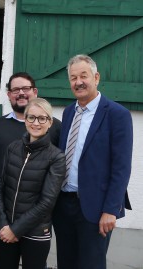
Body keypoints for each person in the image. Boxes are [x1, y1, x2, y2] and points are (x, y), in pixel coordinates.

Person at [53, 54, 133, 269]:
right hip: (64, 205)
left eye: (83, 76)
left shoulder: (117, 114)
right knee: (66, 264)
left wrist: (111, 210)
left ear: (96, 77)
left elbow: (121, 168)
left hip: (96, 209)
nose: (78, 82)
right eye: (73, 78)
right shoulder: (69, 112)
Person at [0, 72, 61, 268]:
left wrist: (16, 229)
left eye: (26, 89)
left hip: (35, 228)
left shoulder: (57, 140)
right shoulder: (2, 132)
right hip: (4, 223)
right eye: (15, 89)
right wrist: (3, 223)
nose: (36, 122)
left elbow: (48, 199)